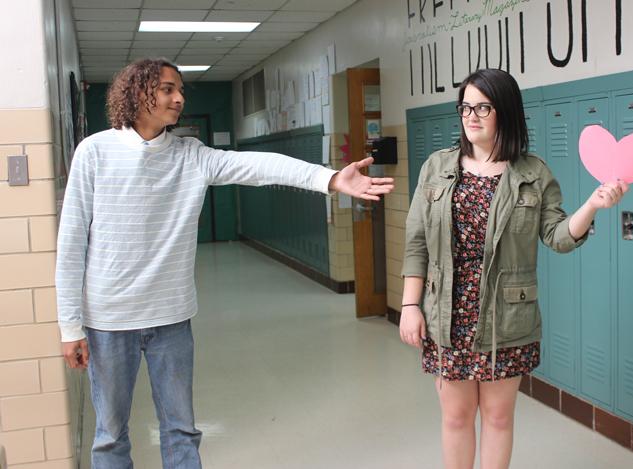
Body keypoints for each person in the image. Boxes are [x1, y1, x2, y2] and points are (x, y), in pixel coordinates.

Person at [56, 57, 393, 469]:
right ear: (136, 93)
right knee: (110, 436)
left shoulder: (191, 155)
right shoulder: (95, 152)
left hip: (171, 318)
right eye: (166, 89)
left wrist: (328, 178)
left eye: (180, 90)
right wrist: (70, 326)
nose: (178, 98)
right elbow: (71, 242)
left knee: (181, 430)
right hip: (108, 320)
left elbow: (260, 165)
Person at [399, 68, 627, 469]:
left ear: (504, 111)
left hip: (507, 317)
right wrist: (409, 306)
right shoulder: (436, 168)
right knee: (455, 417)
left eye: (482, 107)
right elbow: (417, 241)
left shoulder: (532, 173)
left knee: (499, 418)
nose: (471, 116)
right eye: (465, 106)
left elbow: (558, 236)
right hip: (448, 313)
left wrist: (592, 205)